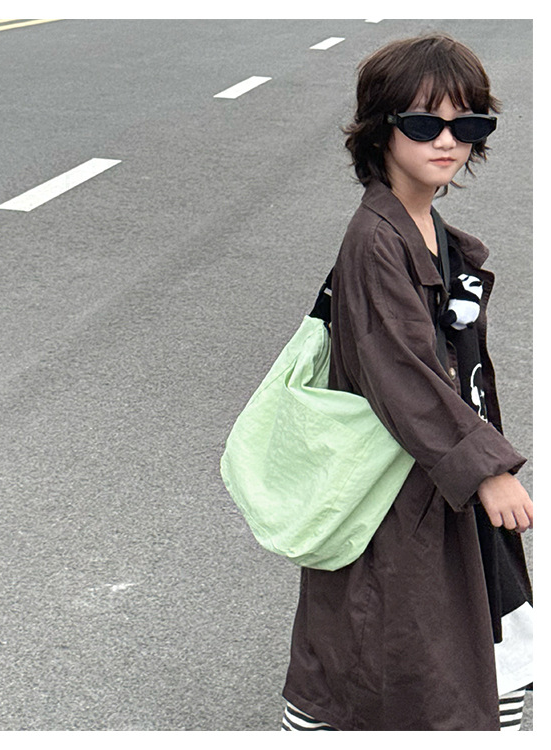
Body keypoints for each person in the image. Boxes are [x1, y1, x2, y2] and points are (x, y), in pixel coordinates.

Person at [281, 34, 533, 731]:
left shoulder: (428, 226)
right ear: (381, 129)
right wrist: (487, 470)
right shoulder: (375, 240)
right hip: (404, 498)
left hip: (438, 490)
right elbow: (401, 374)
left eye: (468, 124)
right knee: (391, 669)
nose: (447, 140)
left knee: (482, 663)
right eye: (425, 123)